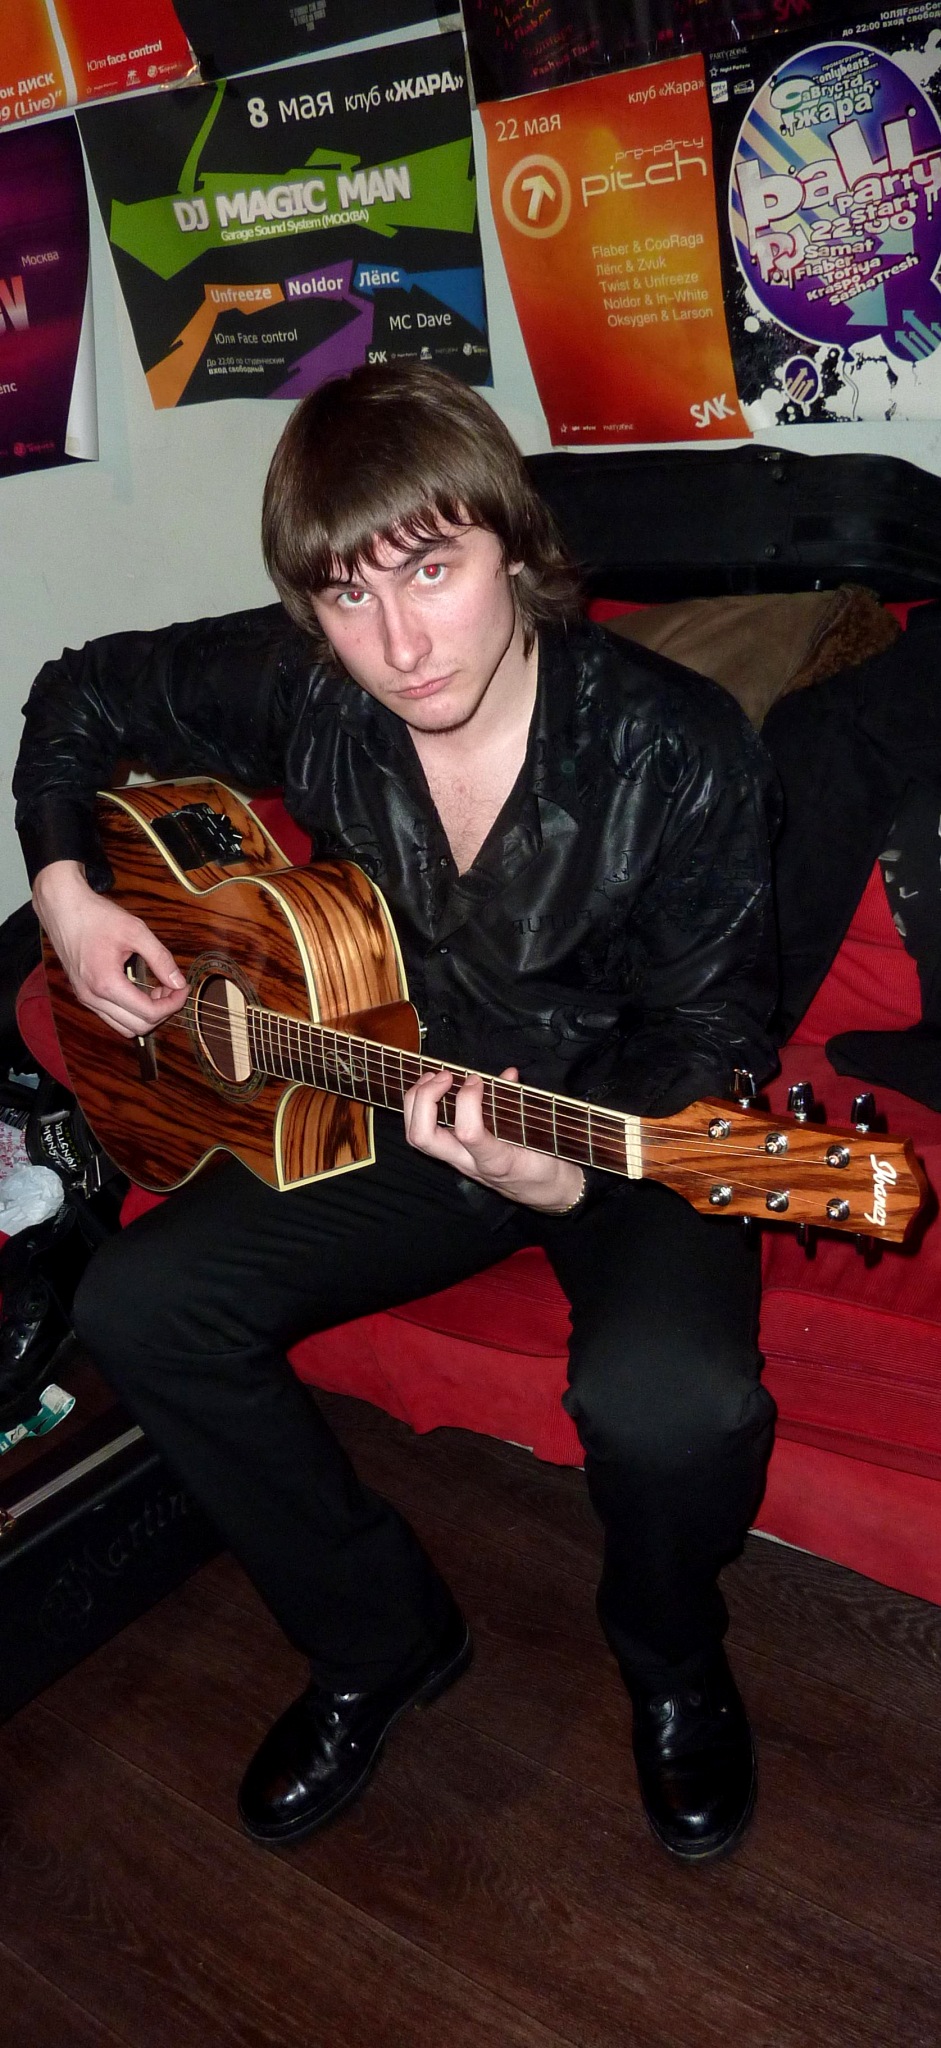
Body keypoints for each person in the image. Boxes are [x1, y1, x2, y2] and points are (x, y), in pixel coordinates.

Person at [14, 362, 779, 1863]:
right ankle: (378, 1639)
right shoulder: (315, 688)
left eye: (432, 570)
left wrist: (562, 1172)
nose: (398, 644)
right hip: (393, 1098)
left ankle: (673, 1659)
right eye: (347, 595)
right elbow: (78, 690)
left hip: (620, 1131)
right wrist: (67, 893)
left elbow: (713, 1039)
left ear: (515, 545)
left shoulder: (679, 746)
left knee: (675, 1402)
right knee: (138, 1302)